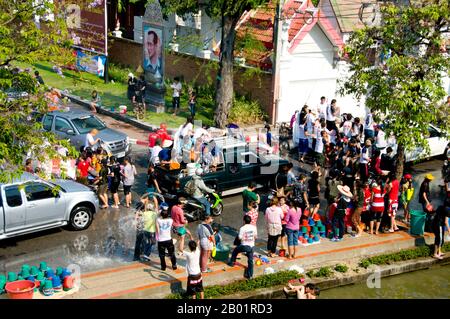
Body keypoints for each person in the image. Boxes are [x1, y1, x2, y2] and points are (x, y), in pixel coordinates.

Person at [228, 215, 257, 279]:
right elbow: (255, 236)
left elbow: (240, 238)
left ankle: (232, 262)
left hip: (244, 246)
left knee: (235, 250)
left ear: (244, 221)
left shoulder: (242, 228)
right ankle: (250, 275)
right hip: (251, 246)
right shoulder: (254, 227)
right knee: (250, 260)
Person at [156, 204, 177, 271]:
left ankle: (163, 267)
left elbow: (157, 230)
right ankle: (174, 265)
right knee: (172, 253)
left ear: (161, 215)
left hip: (161, 240)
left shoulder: (158, 220)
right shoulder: (170, 220)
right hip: (168, 239)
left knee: (161, 255)